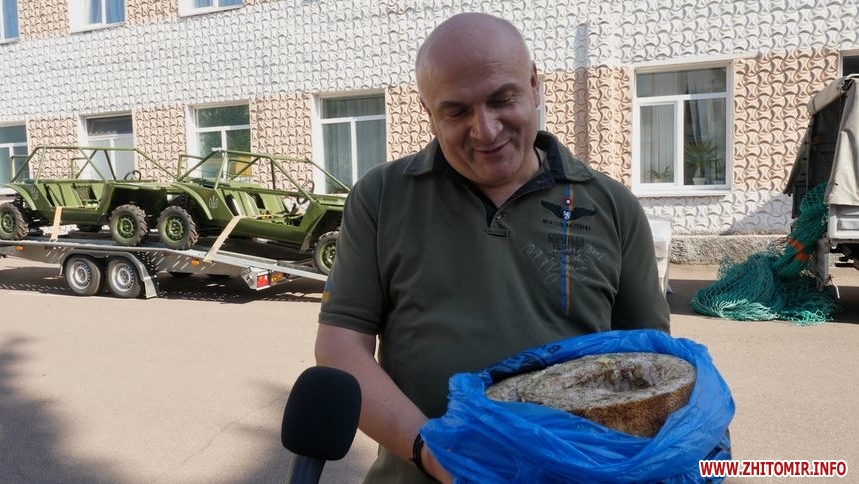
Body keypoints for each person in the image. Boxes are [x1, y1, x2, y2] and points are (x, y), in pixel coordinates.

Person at [315, 12, 670, 484]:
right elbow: (340, 346)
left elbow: (653, 366)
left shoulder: (612, 207)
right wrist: (434, 453)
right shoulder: (381, 197)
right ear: (428, 112)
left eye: (502, 100)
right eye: (456, 112)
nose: (485, 130)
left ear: (534, 85)